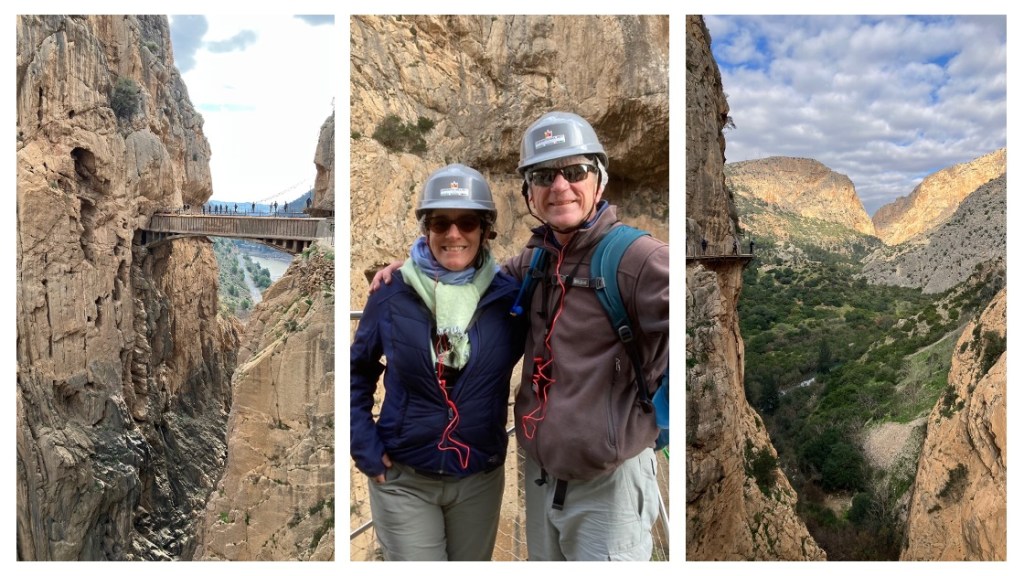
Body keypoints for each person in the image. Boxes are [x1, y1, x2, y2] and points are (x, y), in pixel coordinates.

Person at [372, 112, 668, 561]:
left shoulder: (638, 259)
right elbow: (471, 273)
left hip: (608, 485)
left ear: (599, 182)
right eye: (544, 175)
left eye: (575, 171)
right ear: (529, 192)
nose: (560, 186)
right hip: (541, 478)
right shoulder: (535, 261)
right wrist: (407, 268)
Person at [351, 163, 527, 561]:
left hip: (478, 478)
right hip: (404, 476)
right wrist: (362, 443)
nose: (453, 234)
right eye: (440, 223)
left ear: (484, 230)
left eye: (466, 222)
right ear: (426, 230)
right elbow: (357, 370)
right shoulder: (392, 293)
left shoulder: (509, 299)